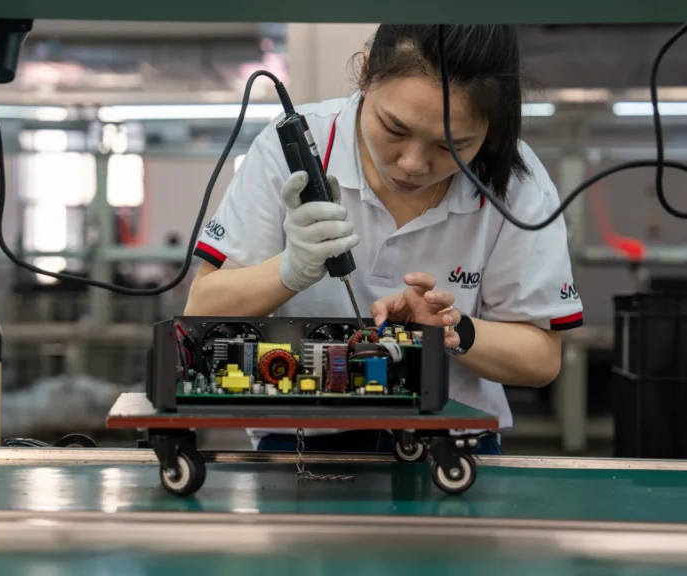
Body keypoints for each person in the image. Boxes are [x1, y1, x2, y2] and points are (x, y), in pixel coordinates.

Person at [184, 24, 583, 455]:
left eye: (452, 146)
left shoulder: (516, 182)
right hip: (299, 447)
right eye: (394, 128)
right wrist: (286, 272)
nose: (412, 164)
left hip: (453, 447)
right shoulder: (293, 147)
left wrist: (451, 328)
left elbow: (542, 359)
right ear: (367, 72)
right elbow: (201, 310)